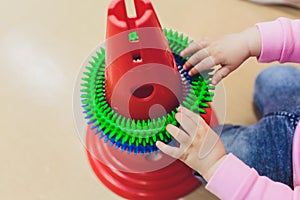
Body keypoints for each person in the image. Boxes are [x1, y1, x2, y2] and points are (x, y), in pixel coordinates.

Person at [156, 17, 300, 199]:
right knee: (274, 76)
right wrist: (249, 41)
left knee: (212, 147)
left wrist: (214, 165)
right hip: (296, 106)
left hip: (284, 160)